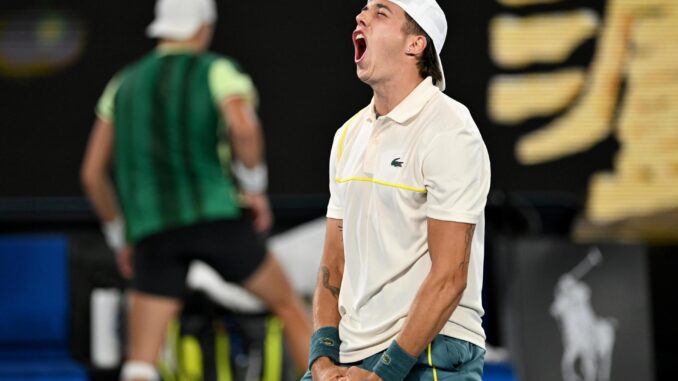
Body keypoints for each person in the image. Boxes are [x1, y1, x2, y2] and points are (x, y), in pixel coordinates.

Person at [80, 0, 312, 379]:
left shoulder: (123, 83)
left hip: (154, 233)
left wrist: (121, 237)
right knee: (290, 308)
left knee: (141, 360)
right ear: (203, 25)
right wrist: (254, 189)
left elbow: (92, 174)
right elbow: (244, 128)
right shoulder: (216, 70)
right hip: (217, 220)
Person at [305, 1, 491, 381]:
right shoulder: (347, 137)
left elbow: (451, 277)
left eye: (381, 12)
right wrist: (322, 360)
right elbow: (333, 264)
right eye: (364, 8)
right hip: (354, 353)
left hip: (431, 351)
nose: (361, 16)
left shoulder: (450, 129)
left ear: (416, 44)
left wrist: (384, 374)